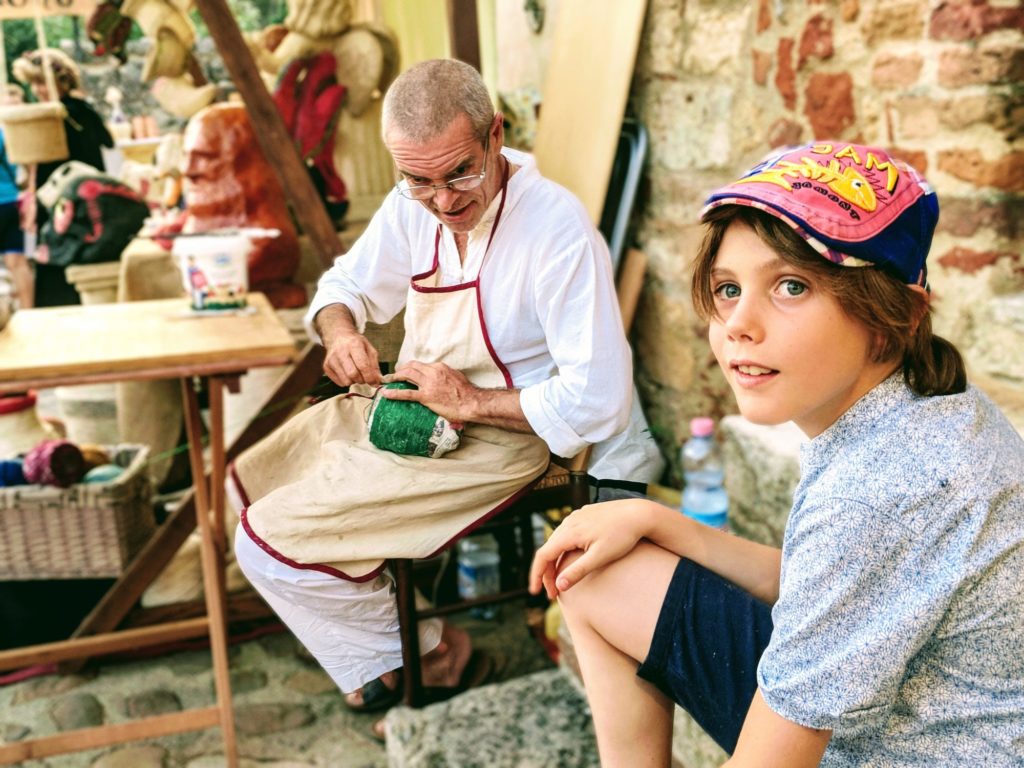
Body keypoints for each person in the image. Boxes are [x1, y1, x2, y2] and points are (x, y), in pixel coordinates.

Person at [529, 142, 1024, 767]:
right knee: (592, 569)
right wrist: (657, 521)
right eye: (728, 288)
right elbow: (824, 585)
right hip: (896, 708)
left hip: (901, 748)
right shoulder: (924, 407)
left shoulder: (877, 493)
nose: (739, 322)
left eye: (791, 286)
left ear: (889, 315)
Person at [230, 58, 661, 739]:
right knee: (247, 488)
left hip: (507, 435)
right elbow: (342, 286)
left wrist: (470, 402)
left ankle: (430, 653)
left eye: (460, 172)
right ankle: (399, 646)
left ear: (495, 136)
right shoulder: (417, 206)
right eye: (418, 181)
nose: (444, 200)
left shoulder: (556, 230)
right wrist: (341, 334)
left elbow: (597, 400)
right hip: (416, 411)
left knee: (266, 545)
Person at [12, 48, 113, 307]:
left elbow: (105, 144)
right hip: (57, 197)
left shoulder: (71, 113)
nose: (38, 90)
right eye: (34, 83)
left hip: (79, 197)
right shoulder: (62, 113)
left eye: (43, 82)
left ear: (62, 81)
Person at [0, 86, 30, 309]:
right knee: (17, 262)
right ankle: (29, 314)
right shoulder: (3, 134)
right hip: (9, 201)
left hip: (7, 201)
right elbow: (14, 169)